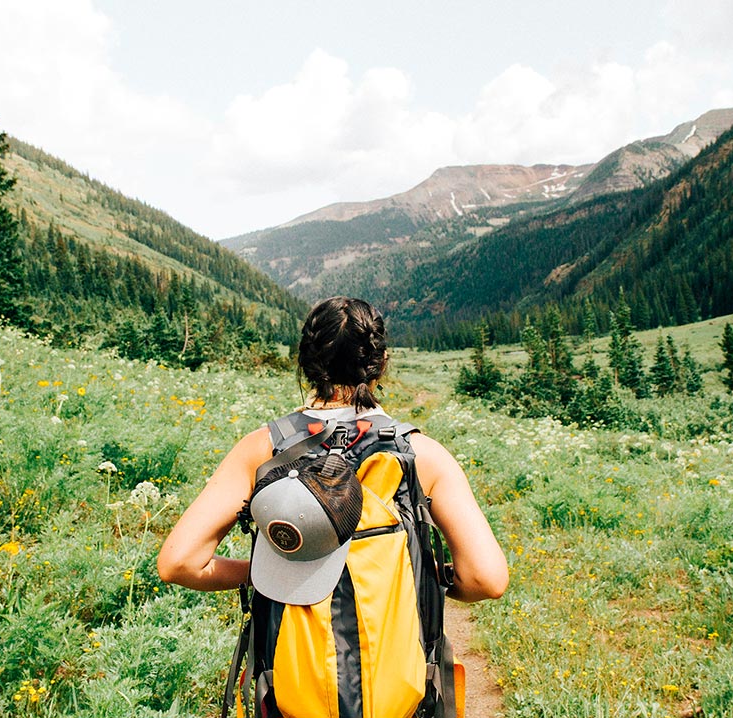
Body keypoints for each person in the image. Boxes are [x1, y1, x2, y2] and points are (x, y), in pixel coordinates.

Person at [158, 296, 508, 714]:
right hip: (399, 701)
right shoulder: (421, 454)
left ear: (306, 363)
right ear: (381, 363)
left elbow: (179, 563)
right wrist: (430, 576)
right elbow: (487, 579)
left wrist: (263, 573)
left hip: (293, 699)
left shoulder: (263, 450)